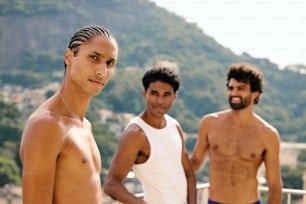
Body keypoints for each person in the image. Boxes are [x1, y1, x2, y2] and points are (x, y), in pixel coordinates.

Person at [19, 25, 119, 204]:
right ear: (68, 57)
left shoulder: (84, 125)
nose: (102, 72)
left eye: (109, 63)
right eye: (94, 58)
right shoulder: (46, 125)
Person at [190, 63, 283, 204]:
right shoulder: (210, 123)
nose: (234, 93)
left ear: (255, 94)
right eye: (231, 88)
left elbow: (275, 185)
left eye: (241, 89)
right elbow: (194, 164)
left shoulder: (268, 135)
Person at [104, 67, 197, 204]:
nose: (160, 101)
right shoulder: (135, 134)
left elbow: (189, 174)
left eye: (166, 95)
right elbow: (111, 184)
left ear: (174, 97)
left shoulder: (174, 126)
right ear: (145, 94)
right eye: (154, 93)